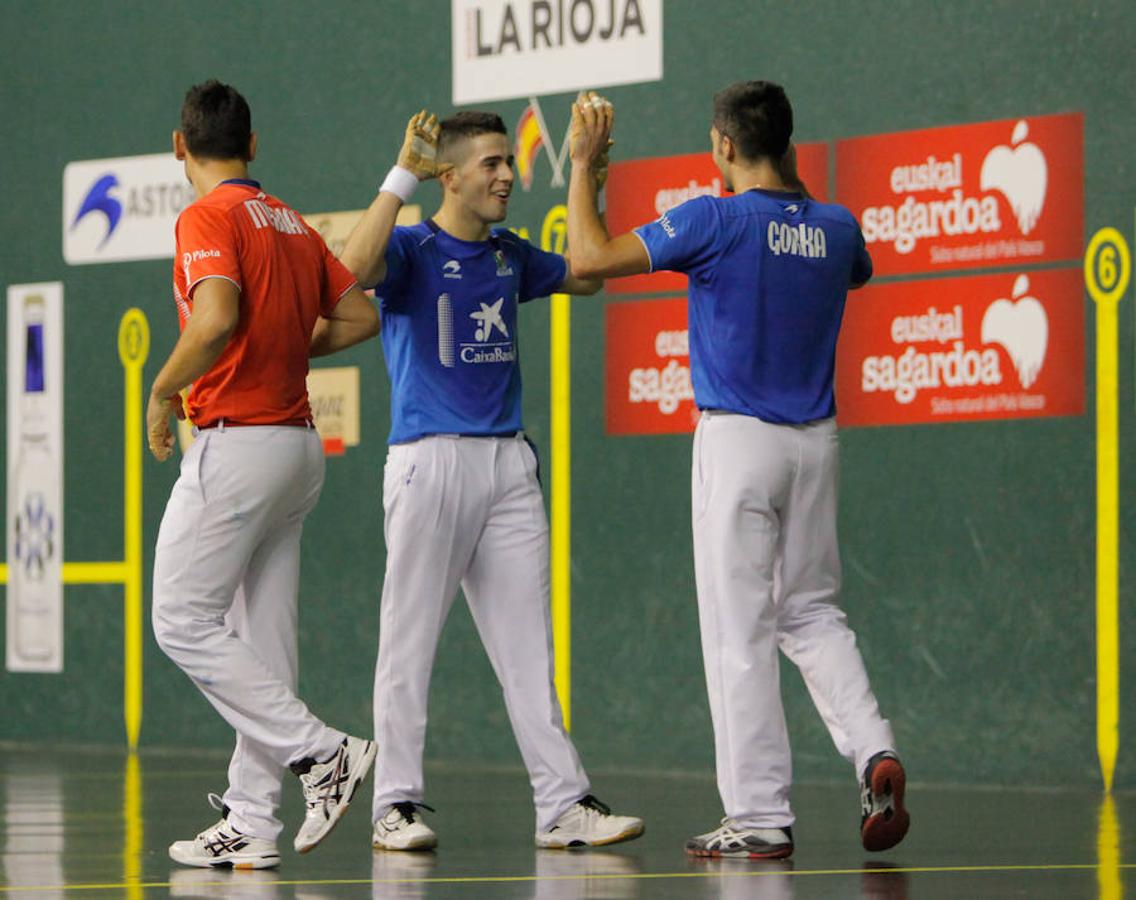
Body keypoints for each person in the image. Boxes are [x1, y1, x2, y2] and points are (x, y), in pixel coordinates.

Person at [565, 82, 910, 858]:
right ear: (788, 145)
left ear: (722, 146)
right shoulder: (837, 226)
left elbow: (588, 257)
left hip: (739, 445)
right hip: (816, 444)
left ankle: (758, 815)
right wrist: (792, 190)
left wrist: (584, 164)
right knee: (814, 613)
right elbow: (857, 269)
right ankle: (873, 749)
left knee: (739, 632)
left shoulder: (711, 217)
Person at [339, 109, 643, 851]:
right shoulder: (410, 248)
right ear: (451, 176)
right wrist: (399, 173)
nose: (507, 175)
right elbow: (349, 270)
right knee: (408, 645)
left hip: (508, 467)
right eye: (492, 164)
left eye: (510, 162)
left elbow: (587, 274)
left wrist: (580, 171)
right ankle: (394, 805)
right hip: (428, 460)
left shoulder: (511, 253)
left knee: (527, 650)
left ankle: (563, 804)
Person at [148, 80, 380, 869]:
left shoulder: (204, 217)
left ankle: (322, 754)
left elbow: (213, 317)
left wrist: (160, 388)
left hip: (239, 445)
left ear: (180, 147)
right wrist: (279, 345)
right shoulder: (287, 221)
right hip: (295, 449)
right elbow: (359, 315)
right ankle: (252, 817)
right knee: (263, 635)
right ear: (253, 145)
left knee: (180, 617)